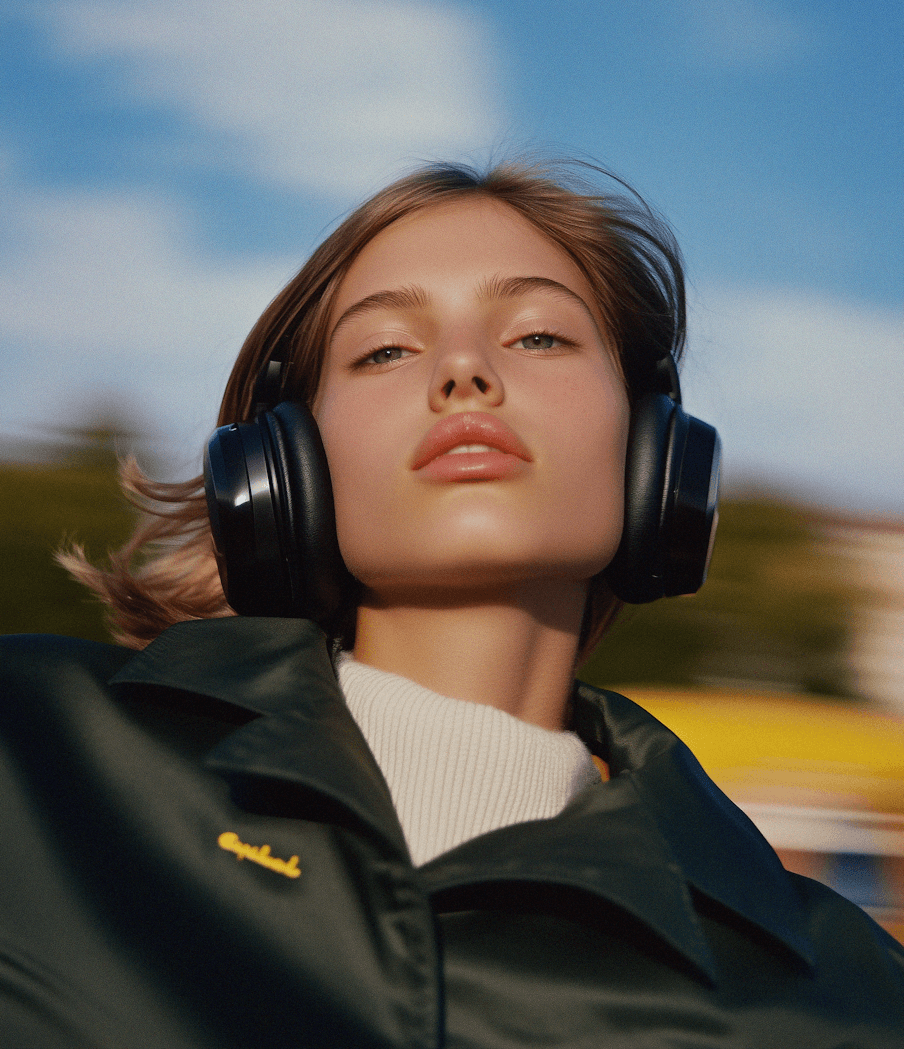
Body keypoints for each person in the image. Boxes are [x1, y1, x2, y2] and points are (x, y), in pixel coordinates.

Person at [1, 162, 902, 1047]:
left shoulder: (849, 999)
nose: (464, 370)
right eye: (386, 349)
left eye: (539, 337)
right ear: (285, 467)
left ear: (654, 449)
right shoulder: (30, 750)